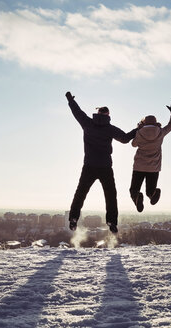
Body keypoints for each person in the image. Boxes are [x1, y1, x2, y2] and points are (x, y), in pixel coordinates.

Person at [66, 91, 137, 233]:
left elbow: (77, 112)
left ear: (97, 113)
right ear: (108, 116)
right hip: (105, 167)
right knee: (110, 195)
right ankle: (111, 222)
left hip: (89, 166)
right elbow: (125, 138)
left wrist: (70, 100)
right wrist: (139, 129)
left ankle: (73, 218)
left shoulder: (87, 123)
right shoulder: (110, 129)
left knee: (80, 192)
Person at [130, 101, 171, 212]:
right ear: (155, 122)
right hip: (154, 167)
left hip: (139, 167)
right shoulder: (160, 132)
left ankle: (137, 196)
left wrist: (138, 130)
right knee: (150, 190)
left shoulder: (139, 132)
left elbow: (133, 144)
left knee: (134, 189)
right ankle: (153, 194)